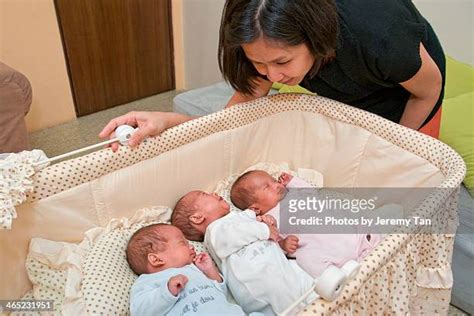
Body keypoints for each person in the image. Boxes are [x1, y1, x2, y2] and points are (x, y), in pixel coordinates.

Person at [100, 0, 445, 148]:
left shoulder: (380, 35)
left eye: (282, 62)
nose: (271, 77)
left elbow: (427, 91)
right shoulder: (258, 28)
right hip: (349, 70)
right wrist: (169, 122)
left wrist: (391, 148)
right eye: (258, 64)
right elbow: (242, 108)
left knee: (402, 185)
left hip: (412, 89)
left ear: (315, 38)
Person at [171, 190, 316, 314]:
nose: (214, 193)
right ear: (197, 218)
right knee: (283, 301)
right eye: (205, 194)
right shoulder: (214, 232)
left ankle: (325, 302)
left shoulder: (238, 217)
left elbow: (263, 238)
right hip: (259, 282)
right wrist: (264, 230)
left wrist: (267, 223)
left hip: (281, 268)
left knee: (307, 286)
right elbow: (236, 234)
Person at [230, 170, 381, 277]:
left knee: (355, 223)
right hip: (317, 248)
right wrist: (283, 244)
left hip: (334, 229)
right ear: (256, 208)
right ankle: (337, 276)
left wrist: (293, 182)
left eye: (274, 181)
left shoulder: (292, 194)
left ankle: (367, 246)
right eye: (267, 187)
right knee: (307, 262)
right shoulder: (267, 220)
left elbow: (311, 192)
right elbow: (271, 246)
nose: (276, 185)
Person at [126, 223, 245, 316]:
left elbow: (223, 295)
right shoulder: (147, 281)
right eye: (183, 243)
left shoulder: (194, 269)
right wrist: (166, 291)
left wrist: (210, 271)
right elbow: (141, 312)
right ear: (156, 259)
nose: (192, 246)